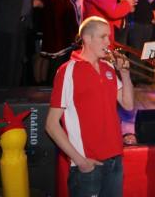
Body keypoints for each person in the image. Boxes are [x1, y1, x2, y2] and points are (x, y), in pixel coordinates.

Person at [45, 16, 134, 197]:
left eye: (108, 37)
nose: (108, 42)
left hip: (115, 159)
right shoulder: (68, 71)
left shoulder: (108, 67)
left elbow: (128, 104)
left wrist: (125, 74)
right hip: (88, 165)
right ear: (87, 38)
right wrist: (80, 161)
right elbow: (51, 124)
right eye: (103, 37)